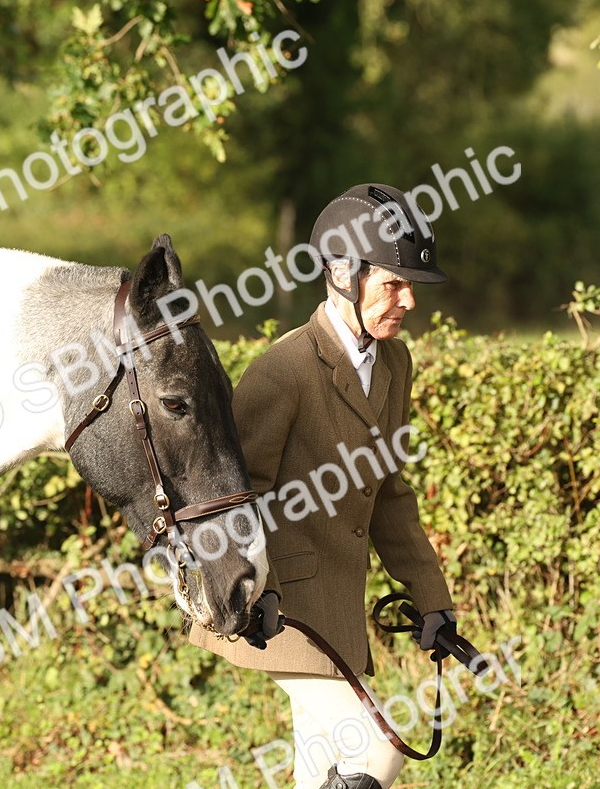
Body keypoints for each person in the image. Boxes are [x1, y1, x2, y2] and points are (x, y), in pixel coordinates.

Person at [191, 183, 457, 789]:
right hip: (277, 609)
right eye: (394, 283)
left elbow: (388, 491)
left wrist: (429, 594)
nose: (409, 300)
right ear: (343, 272)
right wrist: (260, 593)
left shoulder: (394, 365)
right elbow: (237, 497)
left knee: (320, 771)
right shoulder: (283, 370)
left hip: (339, 608)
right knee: (376, 755)